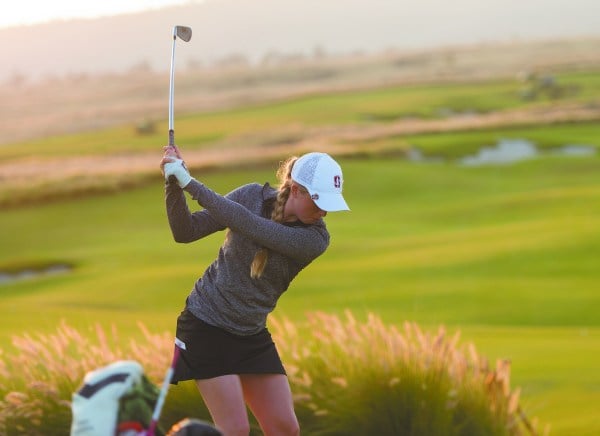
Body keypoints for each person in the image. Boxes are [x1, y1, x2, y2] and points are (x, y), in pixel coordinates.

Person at [160, 146, 349, 436]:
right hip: (206, 325)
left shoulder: (315, 239)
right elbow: (185, 232)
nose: (324, 211)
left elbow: (251, 226)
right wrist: (172, 184)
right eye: (318, 201)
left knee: (285, 428)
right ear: (296, 189)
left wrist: (189, 182)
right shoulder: (251, 196)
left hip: (250, 333)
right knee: (234, 431)